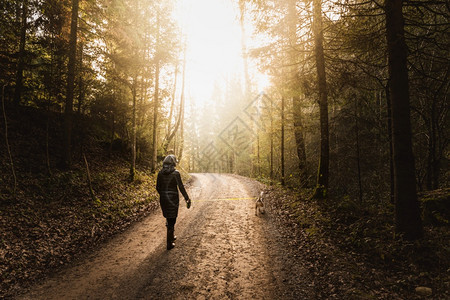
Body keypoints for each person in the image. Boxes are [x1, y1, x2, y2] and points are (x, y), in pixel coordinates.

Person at [156, 154, 191, 250]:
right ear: (173, 163)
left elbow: (158, 187)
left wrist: (163, 195)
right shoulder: (176, 173)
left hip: (163, 199)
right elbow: (181, 187)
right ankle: (169, 243)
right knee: (173, 219)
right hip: (173, 199)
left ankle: (171, 236)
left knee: (168, 217)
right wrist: (187, 198)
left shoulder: (160, 173)